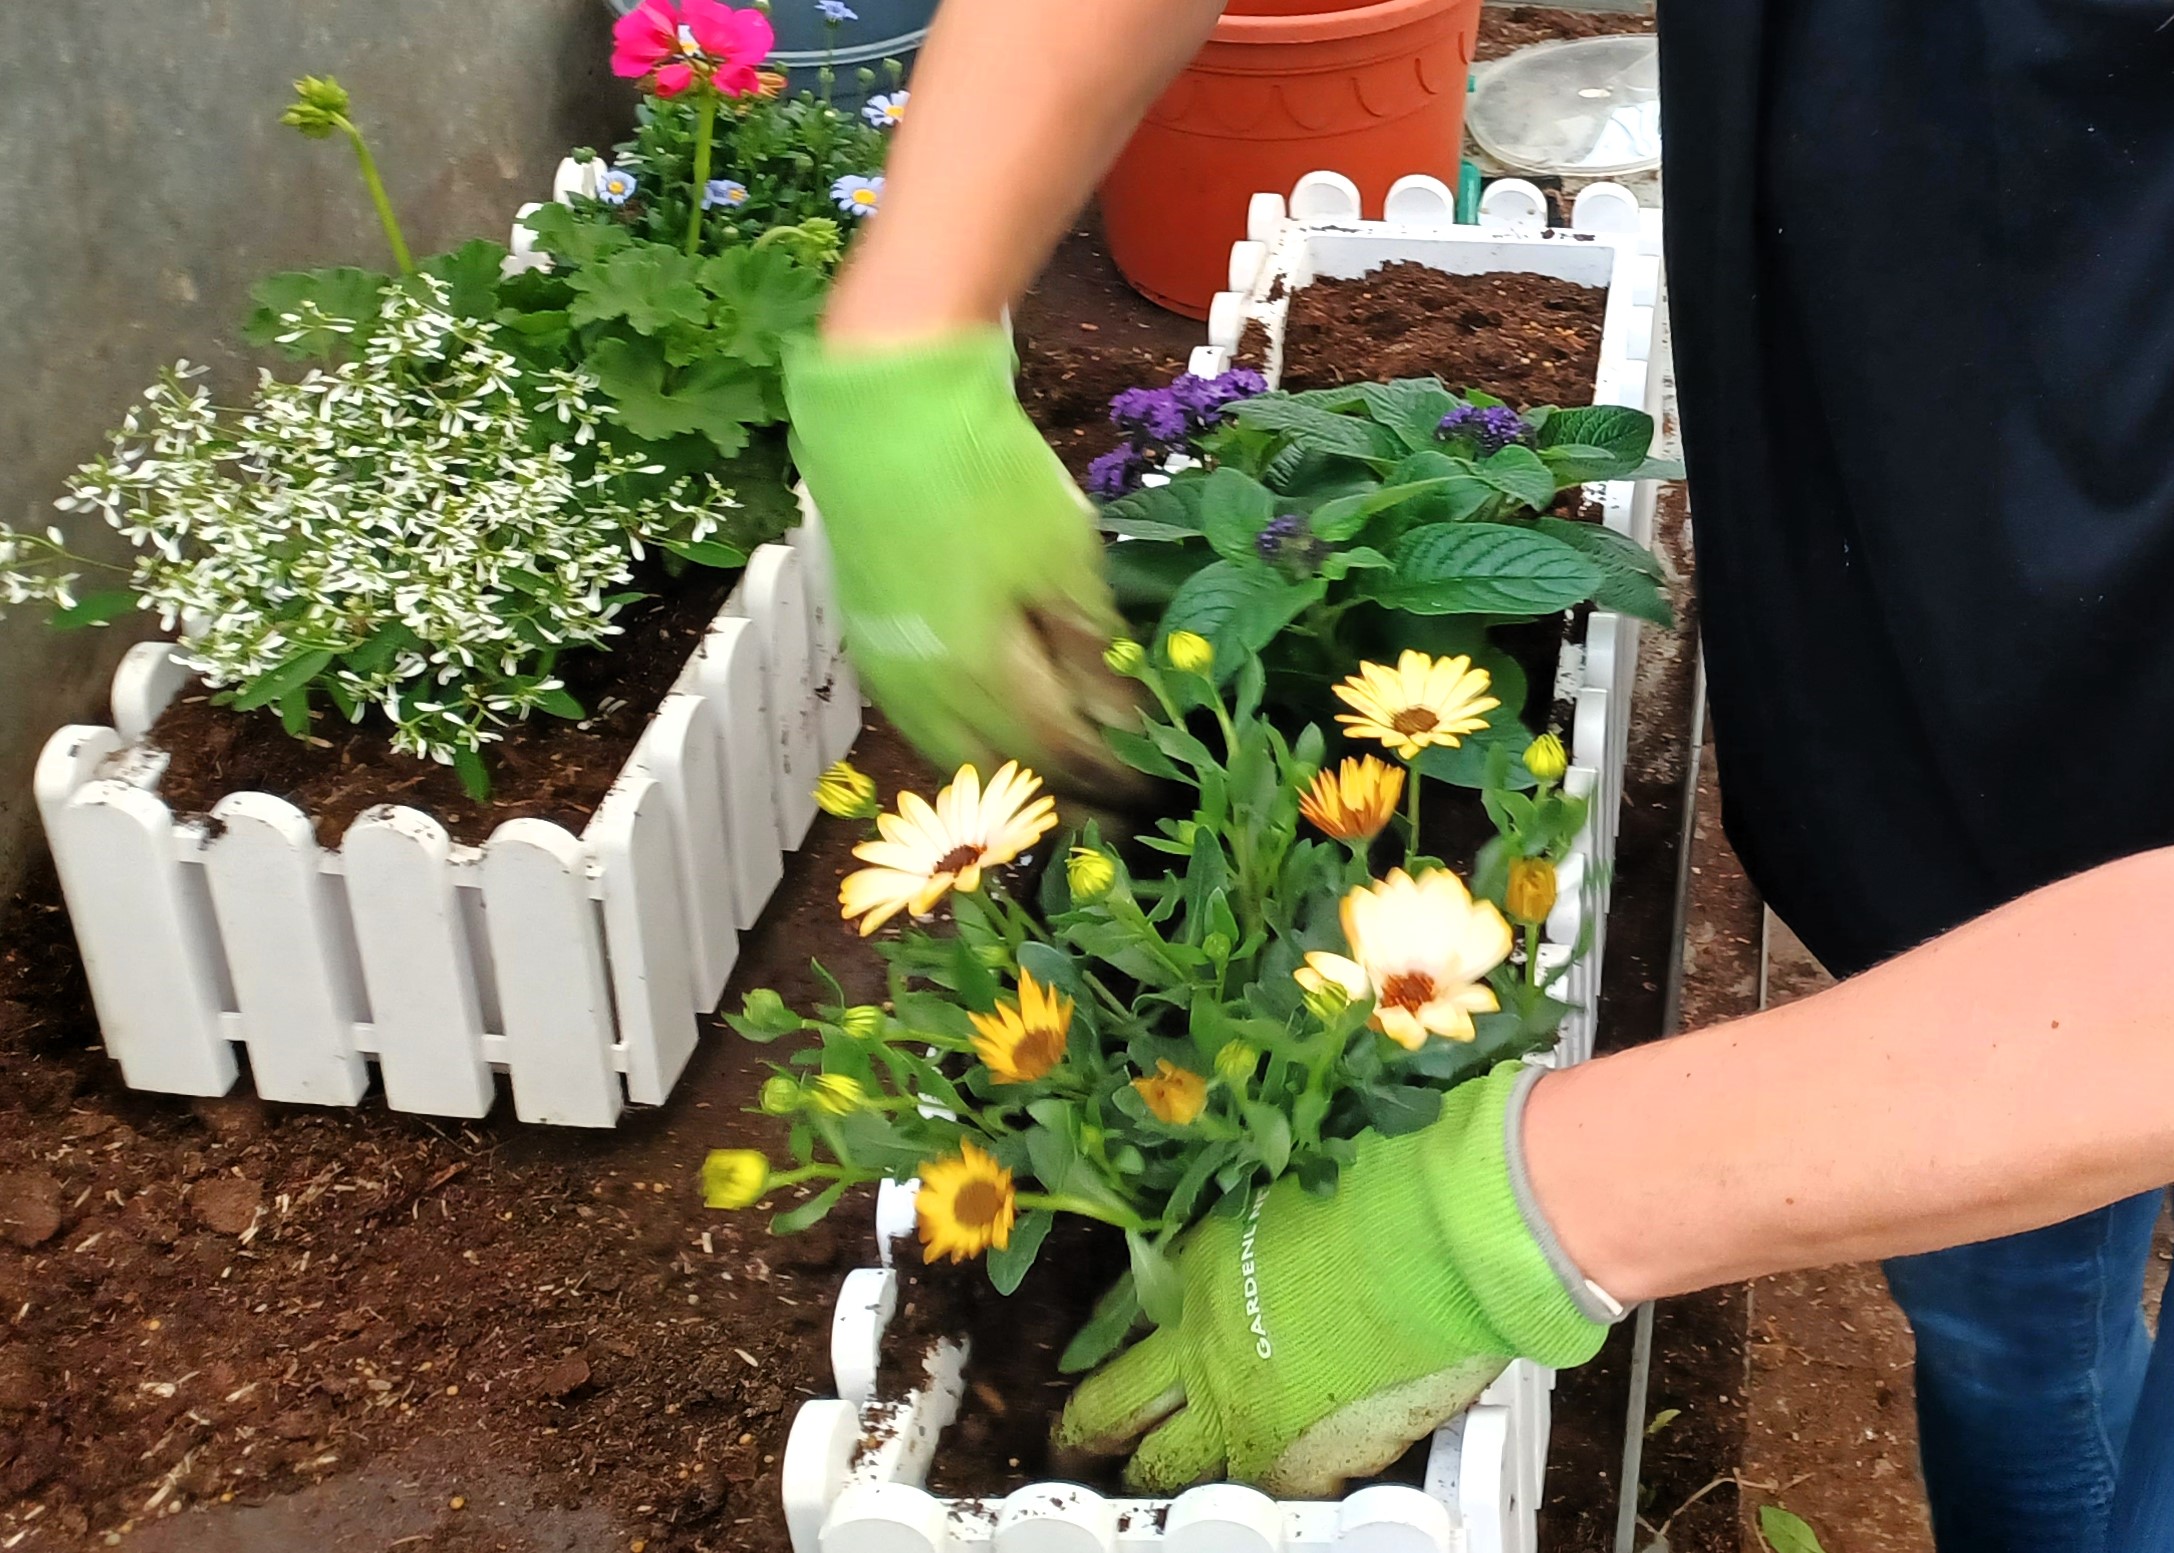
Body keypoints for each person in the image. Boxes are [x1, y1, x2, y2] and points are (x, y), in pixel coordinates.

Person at [781, 3, 2174, 1547]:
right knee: (2010, 1313)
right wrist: (911, 316)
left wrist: (1531, 1204)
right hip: (1943, 678)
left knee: (2055, 1327)